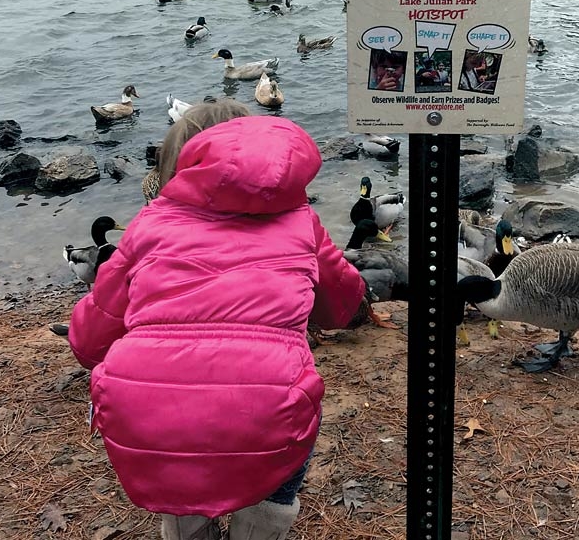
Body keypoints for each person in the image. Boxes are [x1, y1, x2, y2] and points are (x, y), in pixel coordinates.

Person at [67, 99, 373, 540]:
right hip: (267, 413)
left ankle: (186, 521)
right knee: (291, 411)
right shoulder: (303, 223)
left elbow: (87, 342)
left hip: (151, 420)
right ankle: (263, 521)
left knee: (170, 433)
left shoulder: (150, 223)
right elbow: (343, 308)